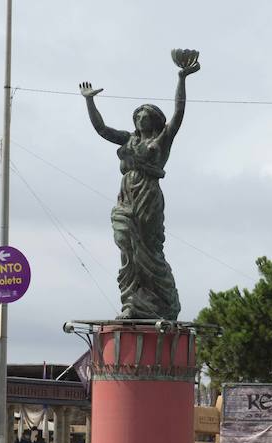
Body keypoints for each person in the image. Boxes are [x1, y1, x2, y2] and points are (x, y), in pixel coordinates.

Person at [80, 50, 200, 321]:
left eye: (145, 115)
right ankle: (131, 300)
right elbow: (102, 129)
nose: (140, 118)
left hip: (148, 196)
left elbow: (178, 113)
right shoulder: (129, 140)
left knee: (149, 248)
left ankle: (162, 300)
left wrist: (182, 78)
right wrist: (90, 102)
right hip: (126, 196)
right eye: (138, 115)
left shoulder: (162, 140)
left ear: (154, 120)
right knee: (126, 243)